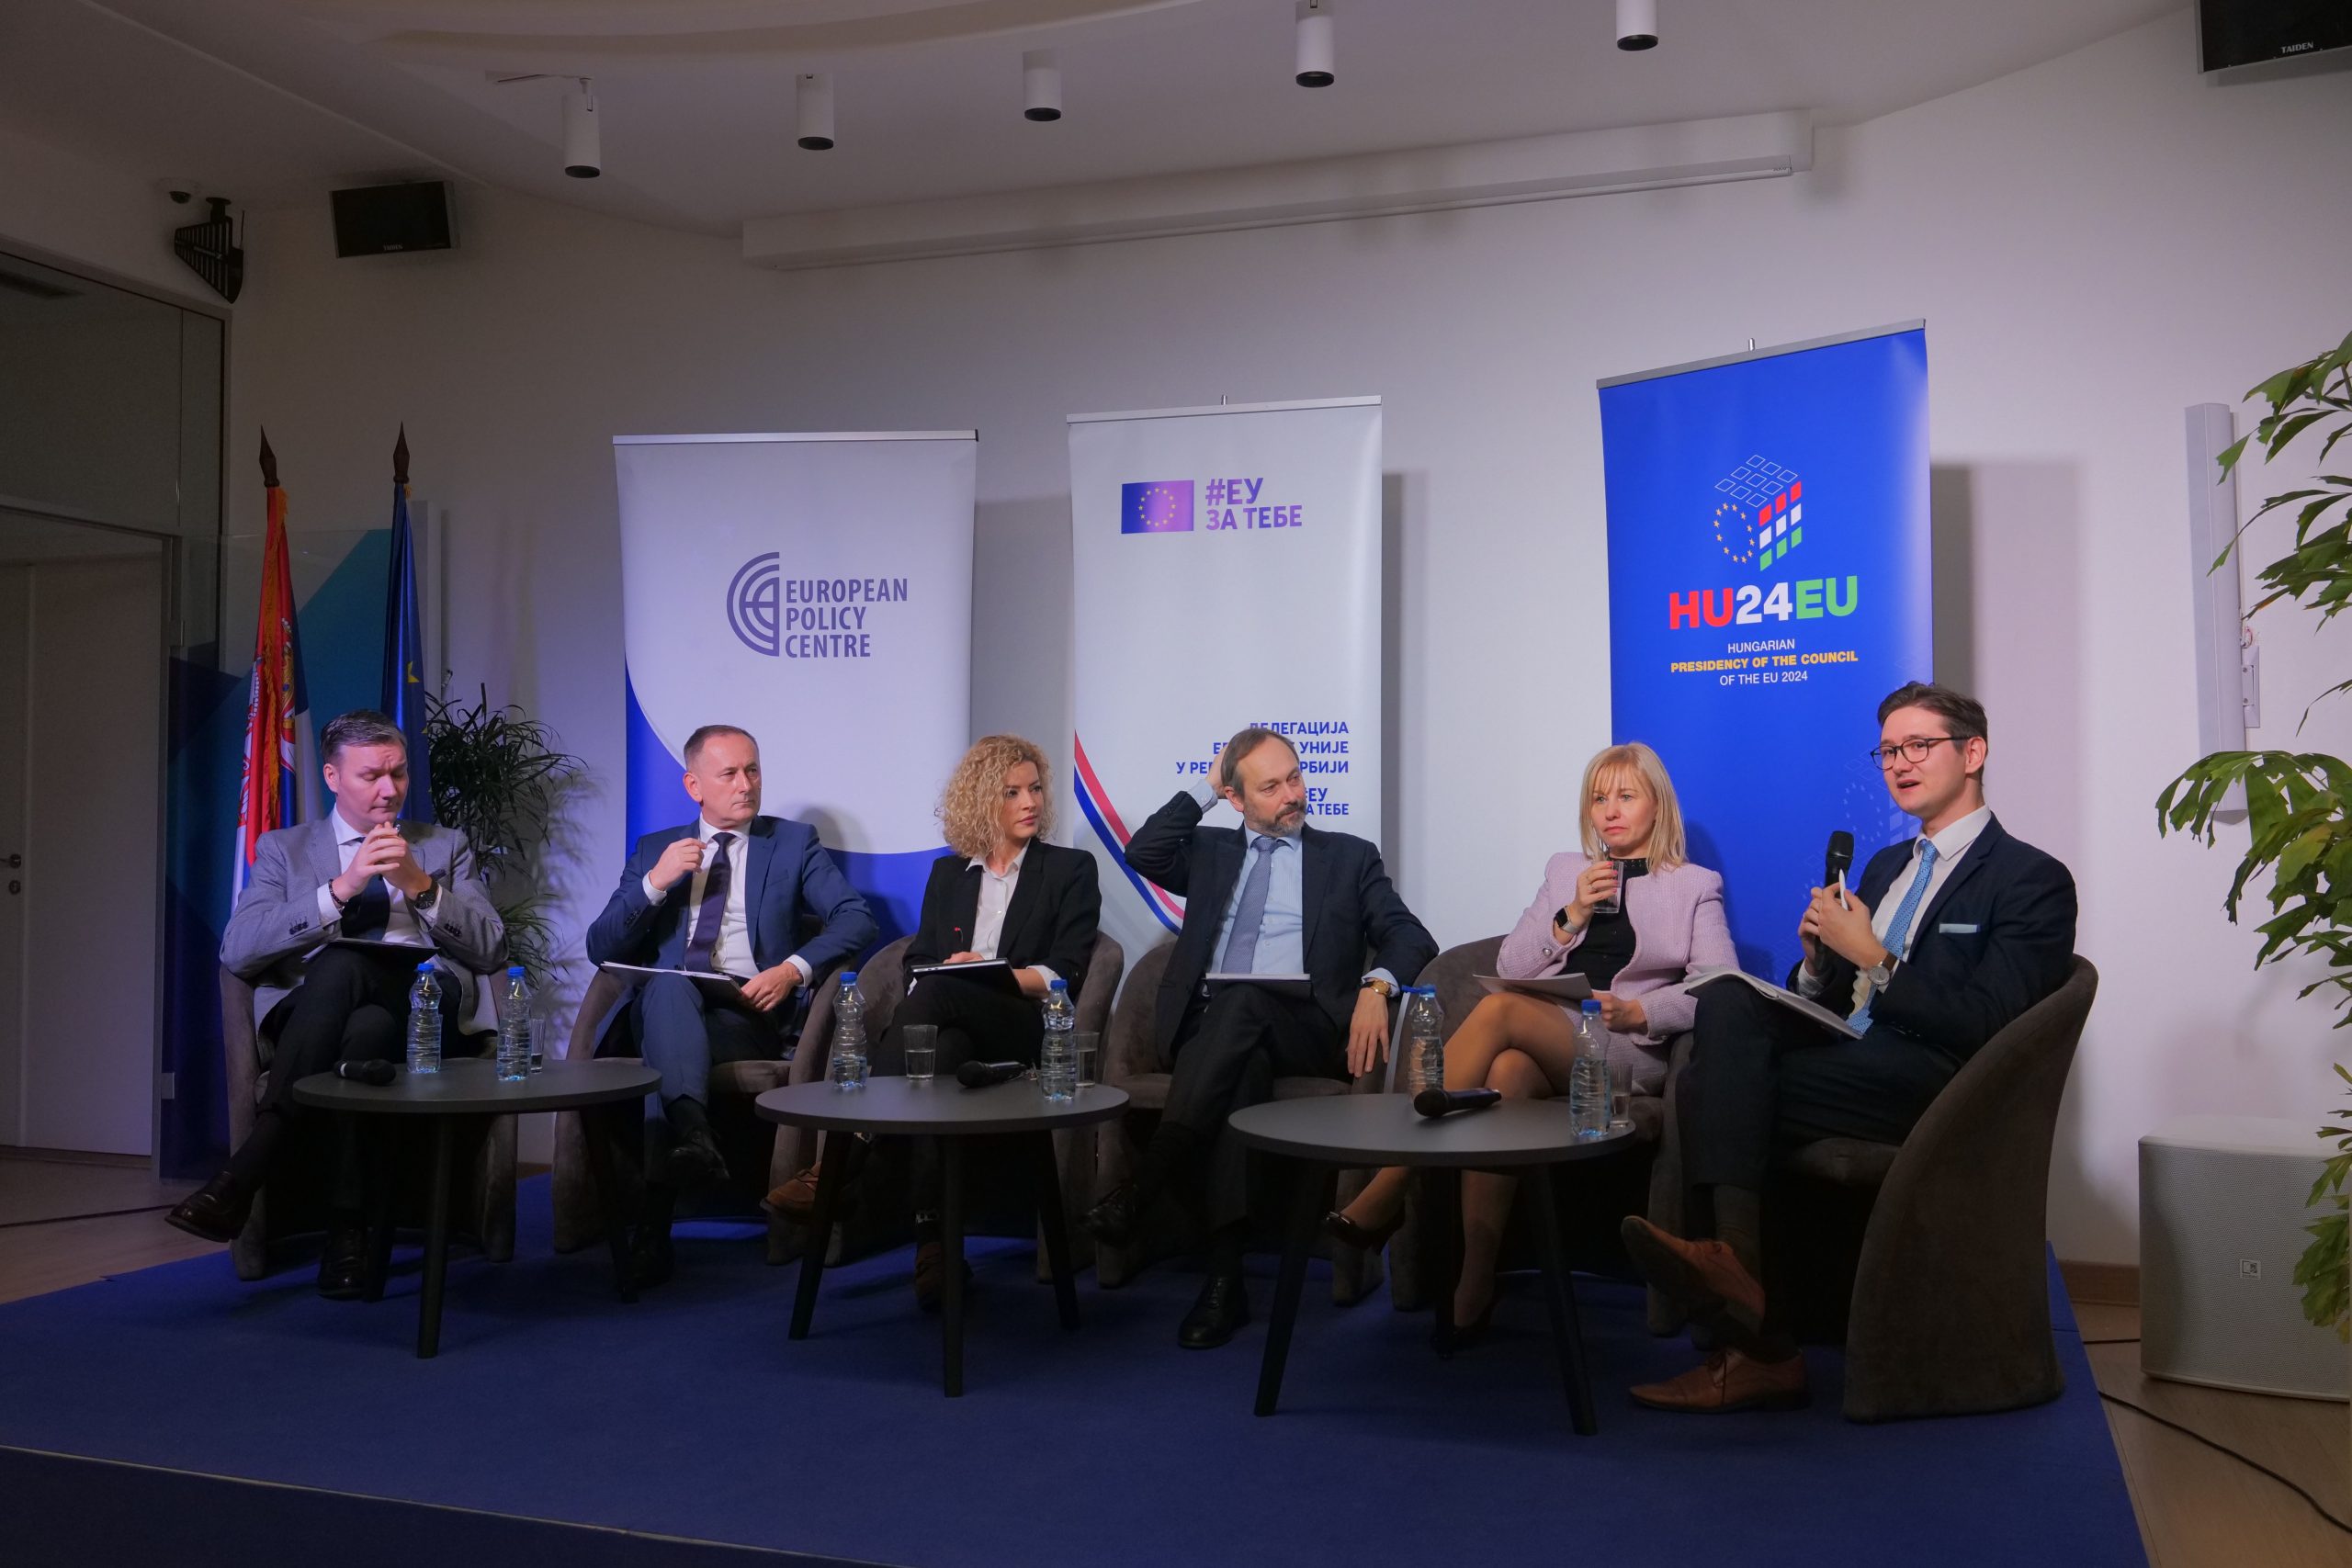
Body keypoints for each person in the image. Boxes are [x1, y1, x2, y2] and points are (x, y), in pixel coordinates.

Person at [1623, 681, 2076, 1413]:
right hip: (1851, 1058)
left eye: (1918, 745)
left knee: (1712, 1090)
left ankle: (1752, 1335)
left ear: (1974, 753)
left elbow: (1992, 1022)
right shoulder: (1886, 866)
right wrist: (1817, 965)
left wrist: (1873, 955)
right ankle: (1739, 1278)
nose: (1900, 763)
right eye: (1888, 751)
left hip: (1939, 1080)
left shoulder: (2031, 878)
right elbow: (1839, 1000)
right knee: (1728, 1000)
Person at [1329, 741, 1735, 1340]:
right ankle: (1476, 1281)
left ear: (1658, 806)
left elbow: (1718, 989)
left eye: (1626, 796)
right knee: (1506, 1076)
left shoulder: (1695, 885)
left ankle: (1391, 1180)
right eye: (1599, 798)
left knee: (1500, 1010)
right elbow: (1511, 961)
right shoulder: (1565, 870)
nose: (1610, 811)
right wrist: (1571, 914)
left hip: (1621, 1048)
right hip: (1550, 1031)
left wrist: (1640, 1010)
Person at [1082, 725, 1437, 1349]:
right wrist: (1206, 786)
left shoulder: (1348, 857)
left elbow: (1410, 935)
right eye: (1270, 787)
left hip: (1306, 1026)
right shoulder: (1212, 851)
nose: (1291, 794)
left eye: (1294, 777)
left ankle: (1147, 1182)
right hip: (1209, 1026)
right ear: (1236, 797)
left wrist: (1376, 987)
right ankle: (1225, 1281)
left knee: (1243, 1000)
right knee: (1237, 1062)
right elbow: (1144, 852)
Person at [169, 709, 507, 1298]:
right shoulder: (284, 850)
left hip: (423, 1007)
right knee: (361, 1021)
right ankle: (349, 1234)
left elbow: (491, 946)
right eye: (371, 776)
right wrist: (341, 890)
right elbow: (238, 949)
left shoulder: (444, 846)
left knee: (348, 972)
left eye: (398, 774)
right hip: (319, 1013)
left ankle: (247, 1172)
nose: (389, 790)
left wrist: (420, 885)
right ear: (331, 776)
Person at [766, 735, 1101, 1310]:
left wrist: (988, 974)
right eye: (1012, 792)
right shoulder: (949, 875)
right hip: (955, 1028)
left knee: (947, 989)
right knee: (940, 1055)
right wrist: (950, 973)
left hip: (1025, 1027)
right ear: (980, 801)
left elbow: (1065, 970)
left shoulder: (1069, 869)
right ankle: (935, 1248)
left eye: (1035, 789)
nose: (1030, 802)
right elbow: (918, 961)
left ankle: (848, 1158)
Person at [583, 723, 876, 1288]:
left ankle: (659, 1217)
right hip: (665, 1008)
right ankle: (692, 1137)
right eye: (729, 774)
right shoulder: (655, 849)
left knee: (668, 1057)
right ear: (694, 786)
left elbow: (856, 918)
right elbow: (601, 947)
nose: (746, 784)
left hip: (745, 1014)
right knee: (670, 988)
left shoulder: (792, 842)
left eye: (753, 770)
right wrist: (656, 883)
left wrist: (791, 969)